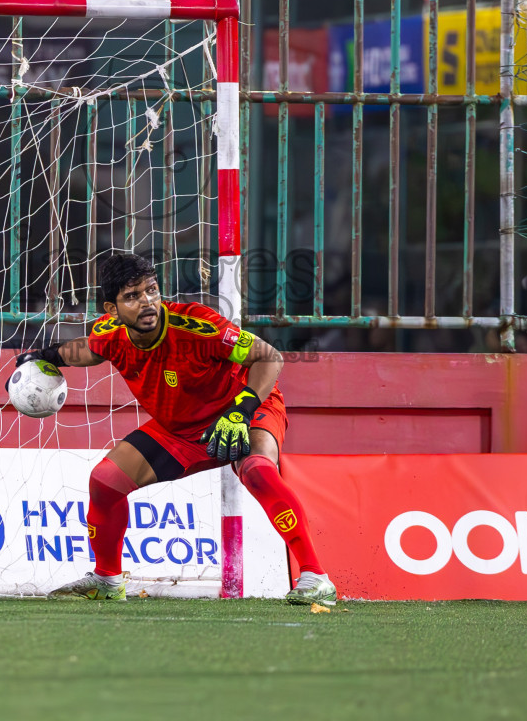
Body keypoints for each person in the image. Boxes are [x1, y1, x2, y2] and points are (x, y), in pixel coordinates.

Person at [25, 252, 337, 607]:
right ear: (112, 310)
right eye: (132, 297)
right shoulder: (109, 333)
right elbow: (89, 351)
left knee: (256, 470)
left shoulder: (198, 326)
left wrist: (242, 411)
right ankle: (107, 580)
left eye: (151, 291)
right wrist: (47, 355)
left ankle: (315, 576)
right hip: (180, 429)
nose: (147, 303)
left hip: (245, 408)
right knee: (105, 480)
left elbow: (269, 357)